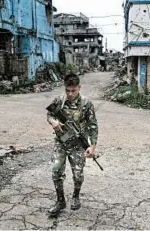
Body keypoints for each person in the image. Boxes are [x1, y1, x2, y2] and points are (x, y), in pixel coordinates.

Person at [46, 73, 98, 216]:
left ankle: (75, 196)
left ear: (79, 88)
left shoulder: (86, 104)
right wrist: (53, 122)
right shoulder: (59, 100)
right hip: (61, 142)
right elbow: (50, 114)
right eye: (67, 90)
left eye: (73, 91)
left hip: (77, 145)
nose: (70, 94)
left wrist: (92, 145)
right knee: (56, 170)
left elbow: (93, 125)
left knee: (78, 175)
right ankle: (60, 201)